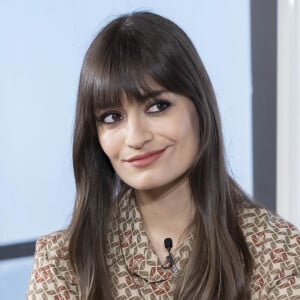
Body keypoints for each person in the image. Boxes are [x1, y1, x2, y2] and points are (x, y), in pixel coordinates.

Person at [27, 11, 300, 300]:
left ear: (199, 107)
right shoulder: (62, 263)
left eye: (157, 106)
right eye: (112, 117)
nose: (135, 137)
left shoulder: (276, 250)